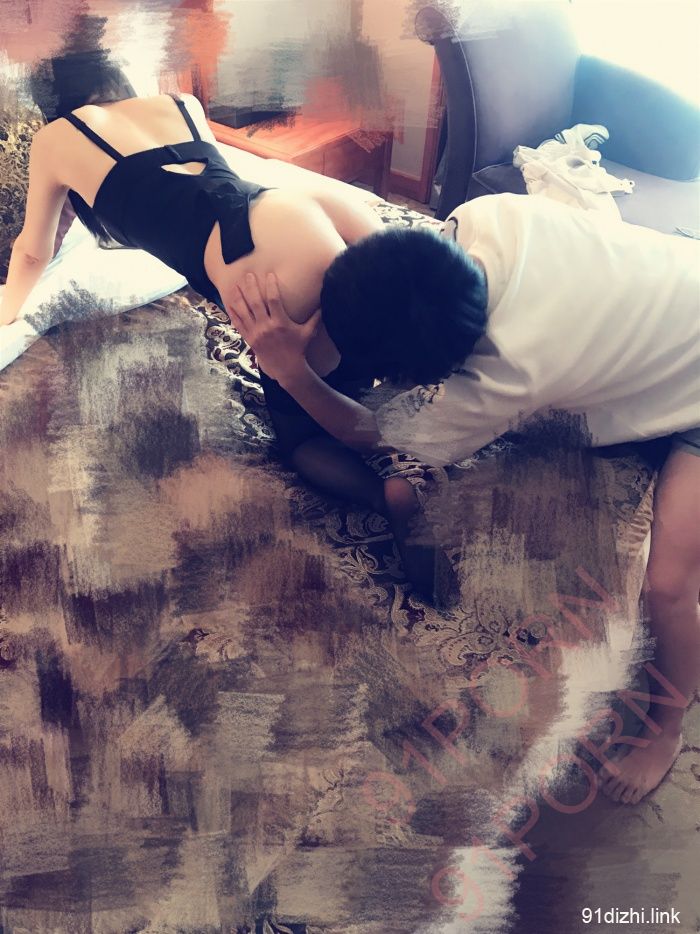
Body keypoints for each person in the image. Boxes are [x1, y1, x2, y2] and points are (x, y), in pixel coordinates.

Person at [227, 191, 700, 804]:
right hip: (679, 285)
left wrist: (289, 369)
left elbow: (371, 433)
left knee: (669, 586)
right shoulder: (487, 217)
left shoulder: (509, 372)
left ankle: (666, 726)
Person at [0, 37, 467, 603]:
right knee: (387, 325)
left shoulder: (54, 137)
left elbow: (32, 251)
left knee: (304, 438)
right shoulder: (180, 103)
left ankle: (381, 495)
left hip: (270, 281)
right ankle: (422, 368)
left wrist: (8, 310)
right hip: (300, 211)